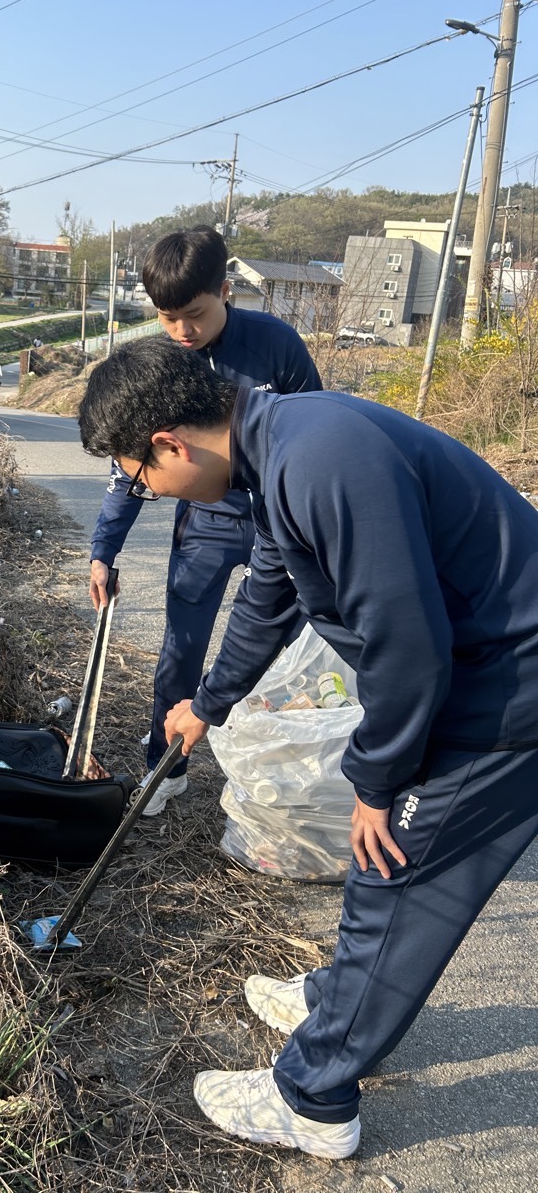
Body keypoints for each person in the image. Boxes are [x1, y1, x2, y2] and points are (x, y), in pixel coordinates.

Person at [78, 336, 538, 1159]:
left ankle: (315, 1095)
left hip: (505, 685)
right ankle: (339, 999)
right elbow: (272, 588)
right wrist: (207, 705)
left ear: (169, 444)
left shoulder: (320, 459)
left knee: (396, 874)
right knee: (382, 875)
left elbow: (409, 644)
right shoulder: (278, 447)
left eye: (141, 479)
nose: (149, 492)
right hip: (480, 669)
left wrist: (376, 777)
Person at [89, 227, 321, 816]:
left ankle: (282, 771)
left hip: (282, 520)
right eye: (167, 319)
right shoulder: (164, 364)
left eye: (193, 314)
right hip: (210, 520)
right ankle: (166, 768)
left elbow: (312, 435)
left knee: (287, 648)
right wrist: (104, 548)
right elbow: (134, 462)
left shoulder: (277, 345)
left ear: (225, 291)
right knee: (183, 644)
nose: (181, 333)